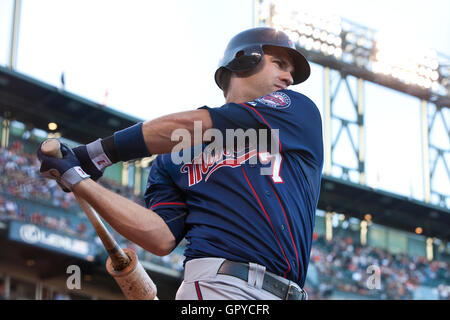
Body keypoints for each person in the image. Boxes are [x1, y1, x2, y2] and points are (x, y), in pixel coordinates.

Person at [37, 27, 323, 300]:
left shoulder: (296, 111)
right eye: (280, 63)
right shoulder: (172, 158)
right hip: (220, 288)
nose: (288, 77)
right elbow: (161, 237)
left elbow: (195, 125)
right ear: (245, 60)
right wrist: (78, 179)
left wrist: (94, 156)